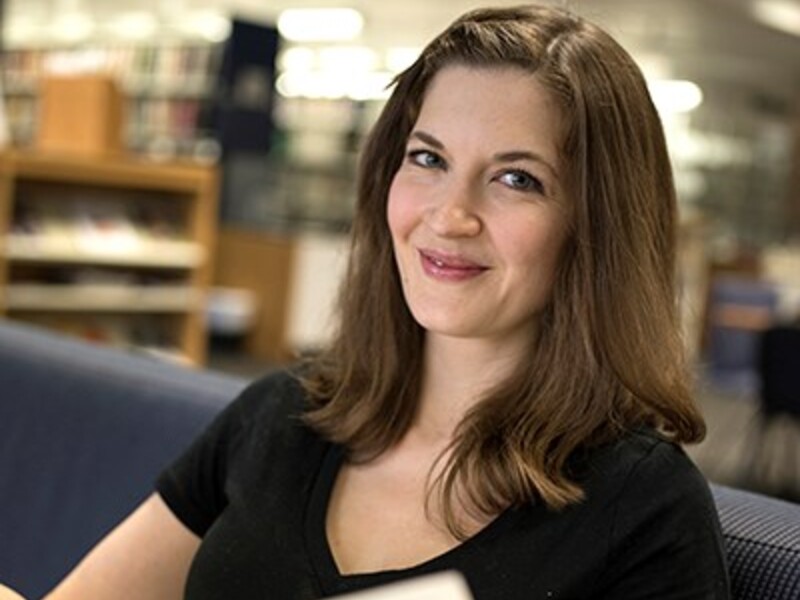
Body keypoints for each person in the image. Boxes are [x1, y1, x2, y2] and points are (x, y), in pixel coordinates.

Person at [42, 4, 730, 599]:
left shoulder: (642, 509)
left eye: (517, 178)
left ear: (596, 226)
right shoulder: (283, 415)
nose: (450, 215)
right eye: (428, 159)